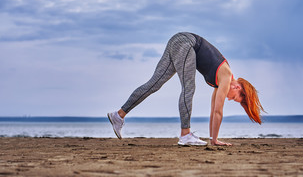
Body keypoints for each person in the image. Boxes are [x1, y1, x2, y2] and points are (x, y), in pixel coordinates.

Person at [107, 32, 264, 146]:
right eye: (235, 97)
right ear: (237, 87)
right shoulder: (227, 77)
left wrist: (213, 139)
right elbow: (218, 112)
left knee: (154, 83)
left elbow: (213, 111)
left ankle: (119, 115)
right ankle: (185, 134)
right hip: (186, 43)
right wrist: (215, 141)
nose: (229, 98)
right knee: (189, 88)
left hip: (178, 41)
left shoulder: (221, 80)